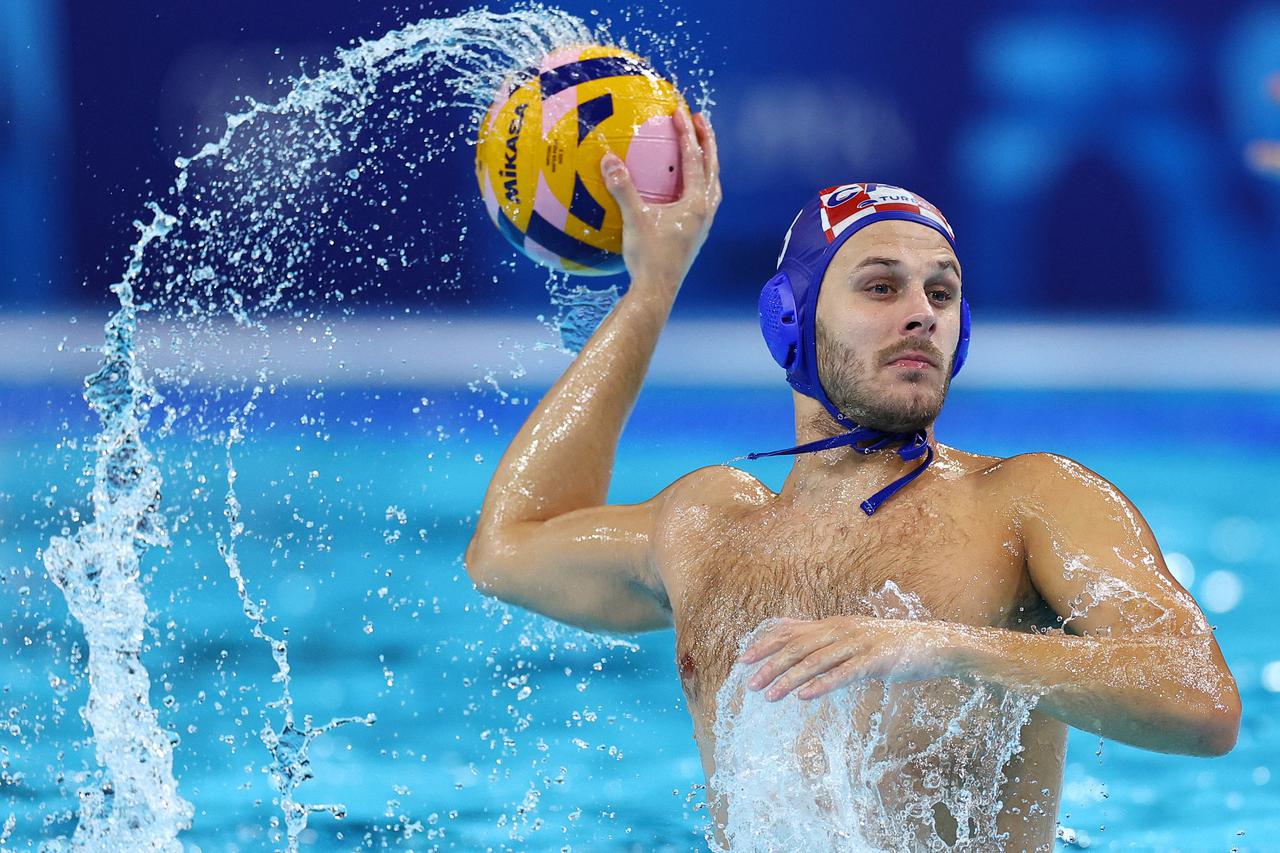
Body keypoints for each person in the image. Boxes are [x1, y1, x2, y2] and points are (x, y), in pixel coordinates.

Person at [463, 108, 1241, 850]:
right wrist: (651, 288)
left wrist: (943, 647)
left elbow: (1200, 699)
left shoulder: (1029, 503)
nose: (922, 314)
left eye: (942, 292)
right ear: (789, 321)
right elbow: (506, 550)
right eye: (881, 287)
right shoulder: (707, 525)